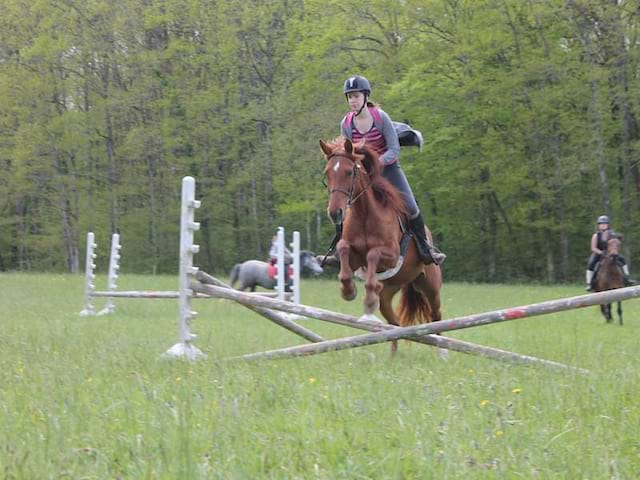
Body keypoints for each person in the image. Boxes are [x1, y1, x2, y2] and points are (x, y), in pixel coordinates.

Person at [340, 75, 446, 265]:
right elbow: (347, 153)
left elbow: (394, 148)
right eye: (349, 97)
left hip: (388, 169)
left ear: (365, 97)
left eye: (355, 96)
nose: (352, 101)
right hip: (363, 174)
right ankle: (337, 250)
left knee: (411, 207)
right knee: (341, 205)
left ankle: (426, 249)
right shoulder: (346, 124)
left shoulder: (380, 117)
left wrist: (377, 162)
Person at [585, 215, 634, 290]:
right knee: (591, 264)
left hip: (610, 253)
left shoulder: (611, 234)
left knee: (623, 260)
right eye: (601, 224)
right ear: (599, 225)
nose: (603, 225)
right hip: (599, 253)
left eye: (605, 224)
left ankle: (627, 278)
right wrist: (601, 253)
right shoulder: (595, 235)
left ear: (608, 225)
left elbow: (615, 242)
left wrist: (614, 248)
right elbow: (593, 248)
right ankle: (589, 283)